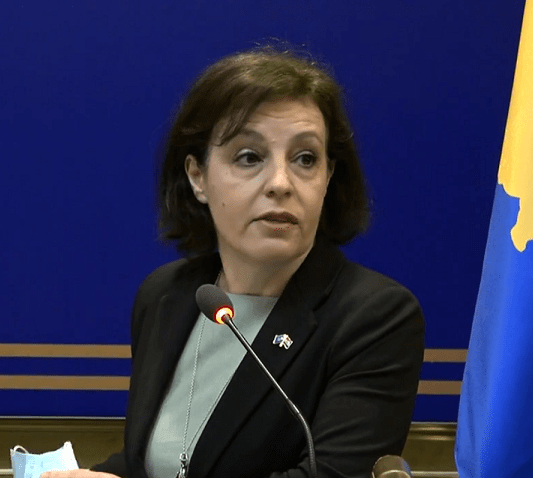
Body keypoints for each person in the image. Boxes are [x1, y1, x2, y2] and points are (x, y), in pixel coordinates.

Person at [42, 46, 424, 478]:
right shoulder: (166, 295)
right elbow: (162, 461)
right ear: (198, 177)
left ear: (328, 176)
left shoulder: (375, 317)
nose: (280, 183)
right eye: (249, 157)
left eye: (305, 159)